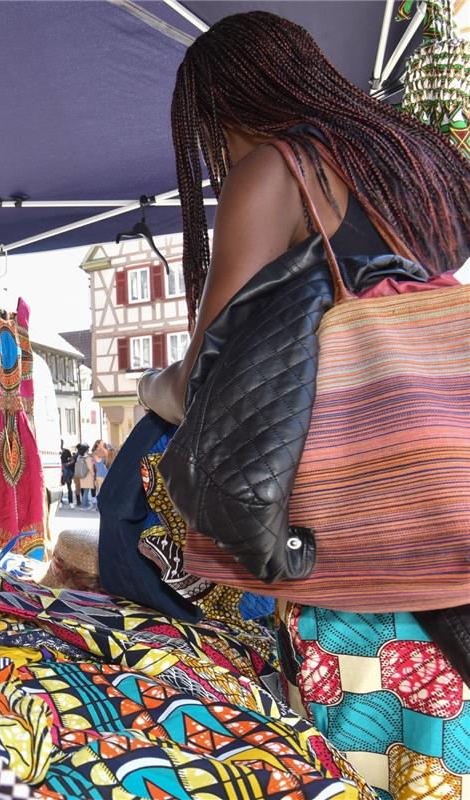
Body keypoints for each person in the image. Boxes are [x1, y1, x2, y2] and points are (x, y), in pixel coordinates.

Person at [137, 11, 470, 795]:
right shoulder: (408, 161)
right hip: (450, 515)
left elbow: (209, 379)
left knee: (362, 771)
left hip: (362, 555)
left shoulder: (278, 168)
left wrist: (157, 390)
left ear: (221, 109)